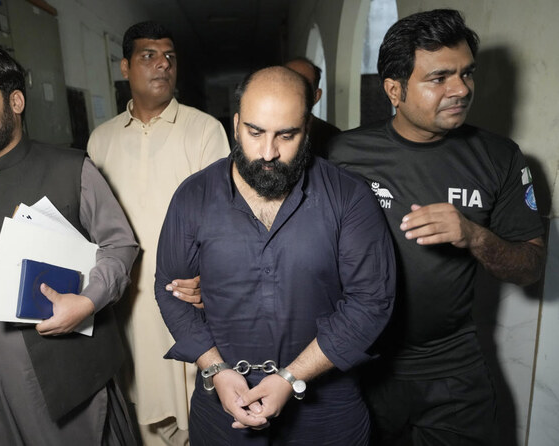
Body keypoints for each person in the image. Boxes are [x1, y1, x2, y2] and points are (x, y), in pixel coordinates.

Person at [328, 9, 545, 445]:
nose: (461, 89)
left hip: (452, 365)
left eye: (467, 74)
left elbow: (530, 267)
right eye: (439, 78)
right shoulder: (342, 155)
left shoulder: (499, 157)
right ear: (394, 89)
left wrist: (473, 235)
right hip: (360, 360)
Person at [154, 66, 395, 445]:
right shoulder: (193, 197)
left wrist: (291, 377)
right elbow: (170, 292)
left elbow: (371, 302)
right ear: (235, 125)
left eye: (286, 135)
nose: (269, 152)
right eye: (255, 132)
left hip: (328, 411)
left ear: (307, 128)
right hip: (222, 407)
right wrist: (215, 368)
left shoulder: (349, 196)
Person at [0, 46, 139, 445]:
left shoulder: (71, 168)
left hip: (59, 373)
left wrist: (89, 301)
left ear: (16, 101)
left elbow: (120, 245)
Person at [87, 21, 230, 445]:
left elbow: (226, 218)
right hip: (126, 303)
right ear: (125, 66)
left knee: (198, 409)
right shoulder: (101, 140)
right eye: (149, 56)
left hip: (187, 296)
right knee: (141, 413)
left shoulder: (204, 131)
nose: (163, 65)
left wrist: (212, 278)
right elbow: (95, 224)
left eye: (169, 56)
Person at [285, 56, 340, 158]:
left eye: (302, 84)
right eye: (285, 81)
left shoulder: (333, 138)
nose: (291, 89)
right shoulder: (255, 128)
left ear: (316, 96)